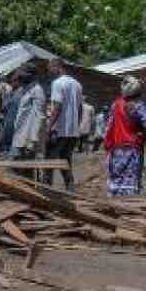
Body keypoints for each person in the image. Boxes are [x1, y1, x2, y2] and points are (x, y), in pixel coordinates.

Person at [103, 77, 146, 196]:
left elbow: (109, 125)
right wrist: (145, 135)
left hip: (116, 147)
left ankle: (114, 203)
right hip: (132, 147)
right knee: (130, 180)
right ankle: (128, 205)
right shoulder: (138, 105)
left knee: (116, 177)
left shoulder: (115, 104)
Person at [44, 59, 85, 192]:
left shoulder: (57, 83)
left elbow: (57, 106)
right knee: (65, 159)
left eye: (50, 68)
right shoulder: (77, 84)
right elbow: (80, 108)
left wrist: (48, 128)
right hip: (72, 132)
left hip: (59, 130)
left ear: (58, 67)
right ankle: (70, 186)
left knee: (49, 160)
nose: (49, 71)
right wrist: (76, 127)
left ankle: (46, 189)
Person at [10, 69, 47, 178]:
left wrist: (33, 140)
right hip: (20, 133)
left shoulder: (37, 91)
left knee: (27, 167)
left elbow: (40, 116)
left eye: (22, 76)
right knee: (17, 165)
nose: (21, 79)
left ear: (30, 76)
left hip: (28, 136)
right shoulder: (26, 90)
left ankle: (28, 190)